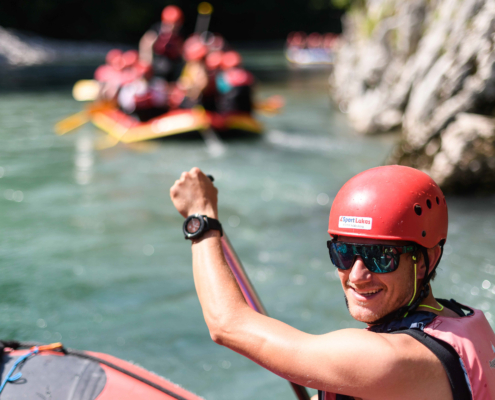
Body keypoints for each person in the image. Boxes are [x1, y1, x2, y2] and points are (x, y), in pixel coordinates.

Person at [170, 165, 495, 400]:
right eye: (344, 252)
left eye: (381, 257)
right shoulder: (465, 320)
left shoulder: (390, 360)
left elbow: (227, 324)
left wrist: (201, 217)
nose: (356, 276)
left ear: (427, 261)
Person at [139, 5, 184, 82]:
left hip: (172, 71)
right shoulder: (155, 31)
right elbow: (145, 48)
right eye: (170, 23)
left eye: (176, 23)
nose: (173, 27)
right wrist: (147, 65)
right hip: (155, 69)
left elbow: (181, 54)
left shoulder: (179, 35)